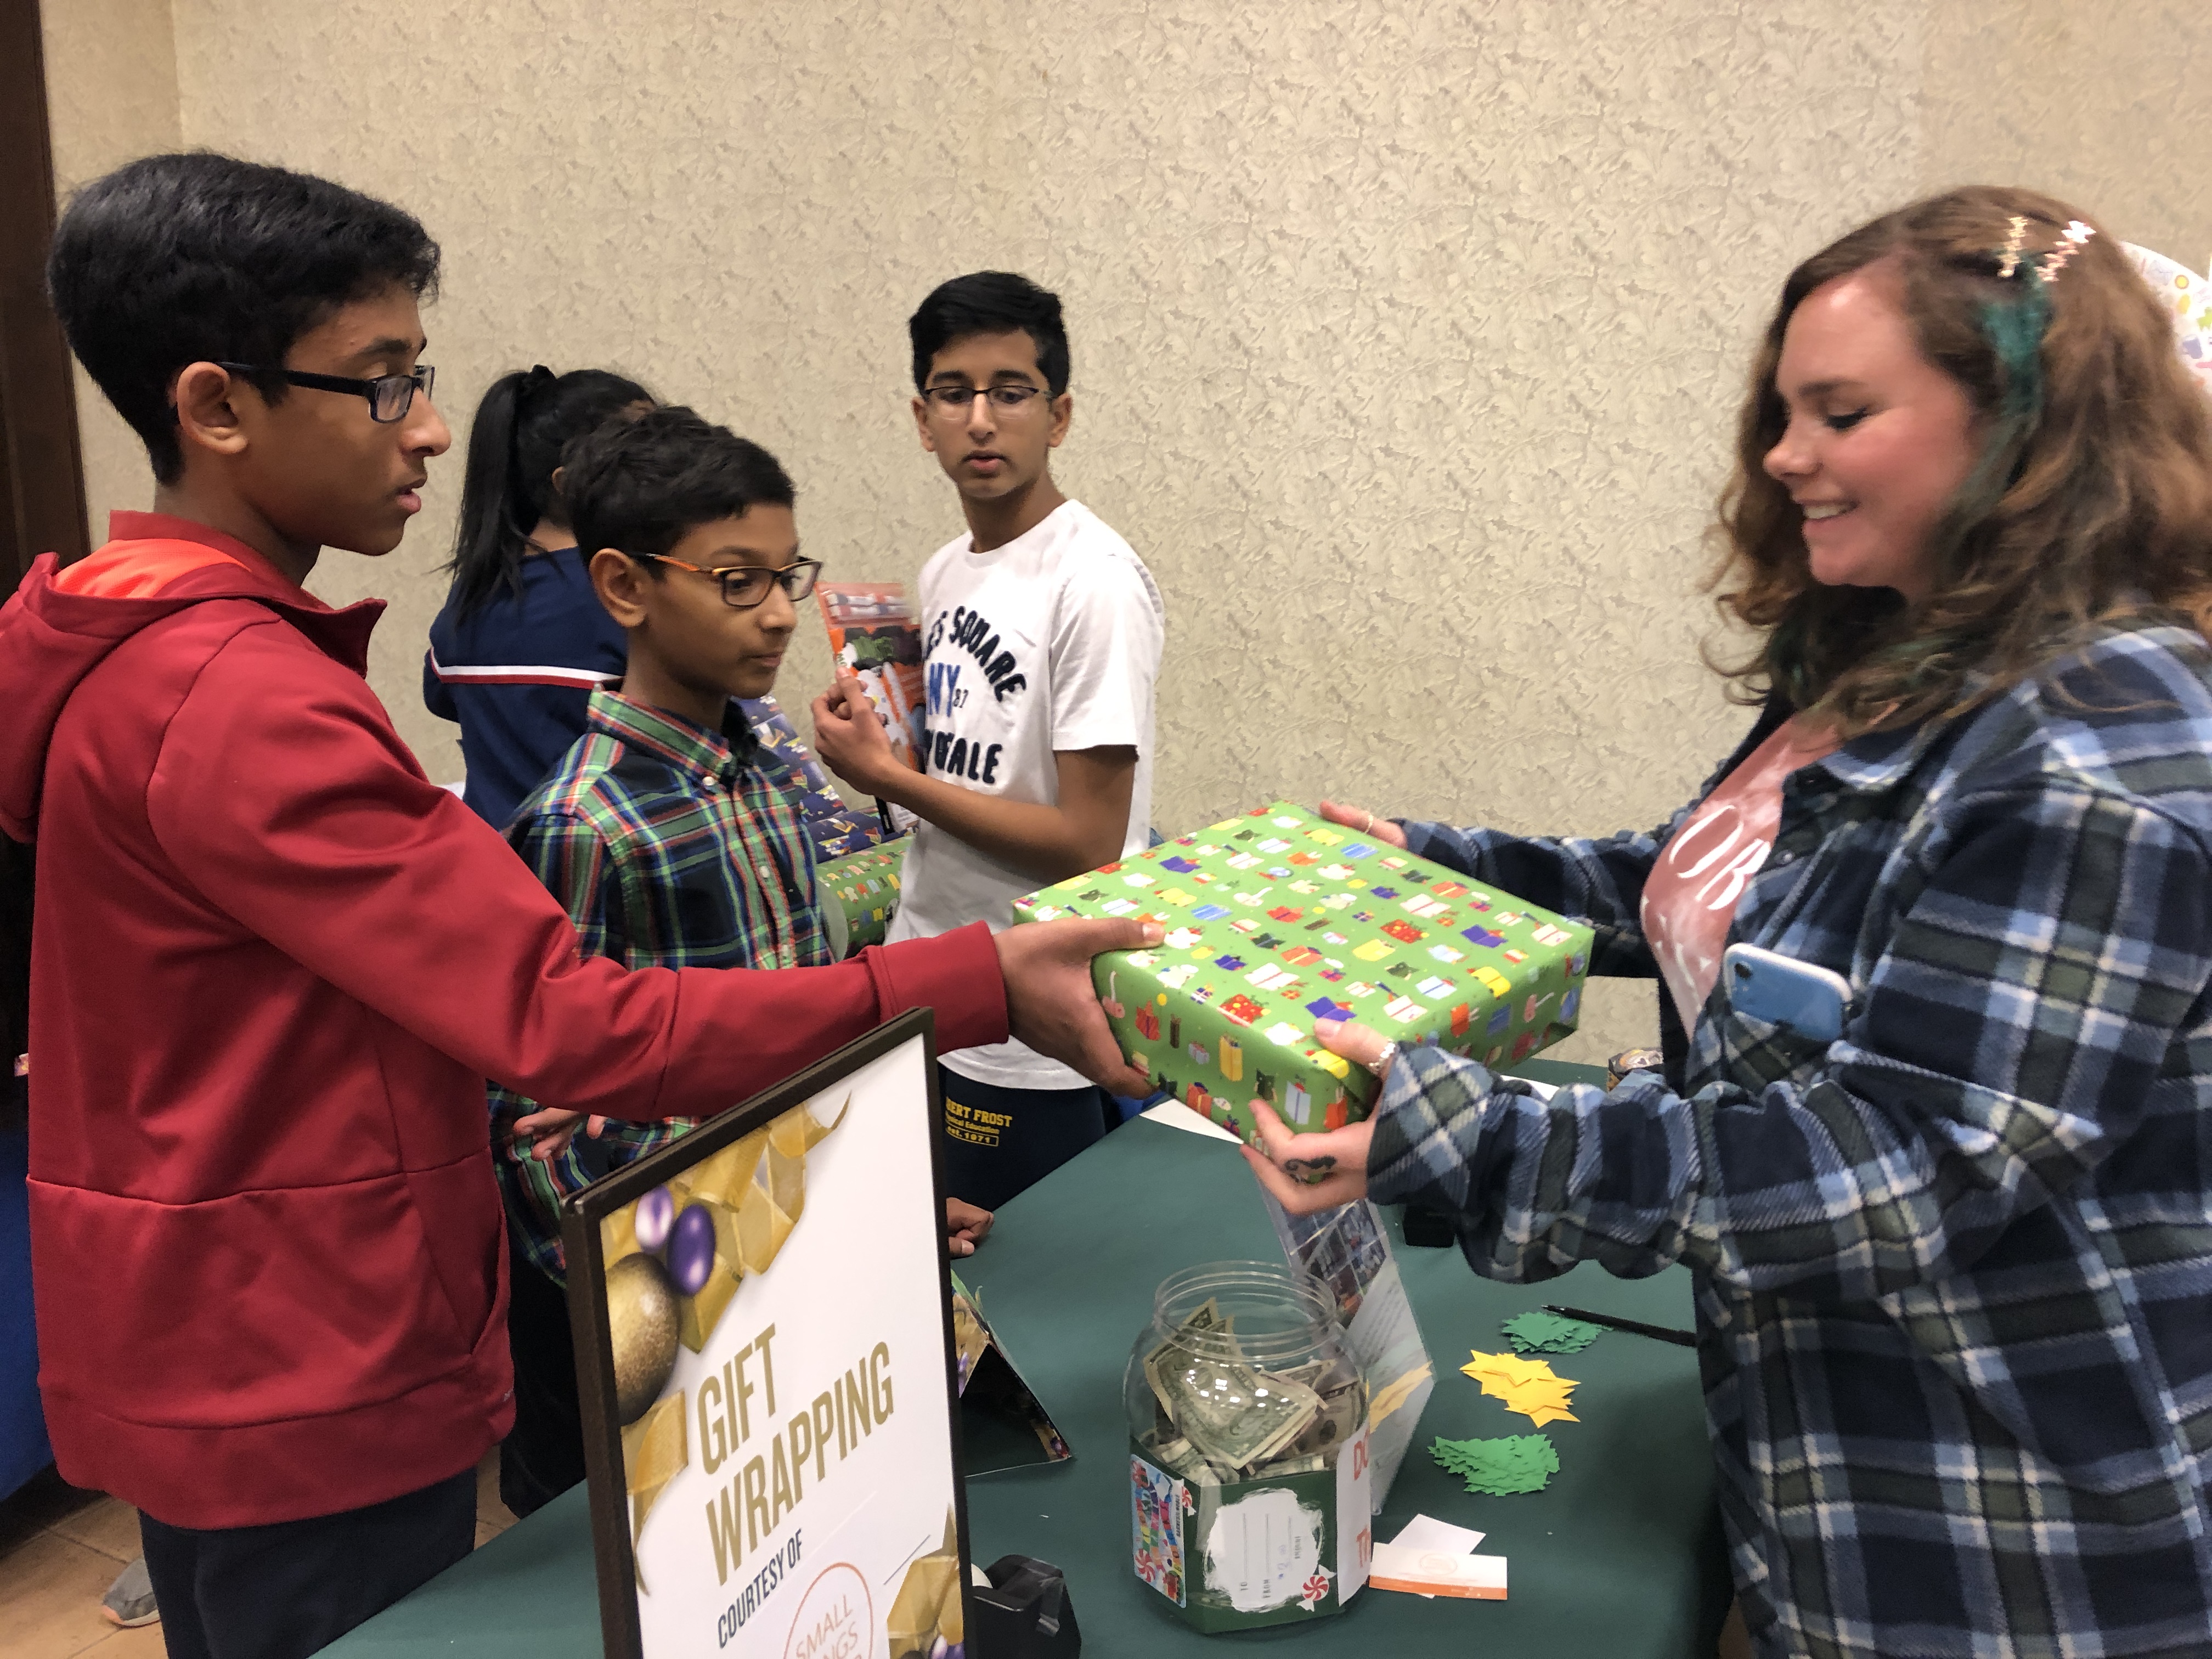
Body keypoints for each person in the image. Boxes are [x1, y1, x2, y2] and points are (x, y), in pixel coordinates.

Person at [0, 152, 1150, 1659]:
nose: (429, 428)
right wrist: (985, 974)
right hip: (306, 1359)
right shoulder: (245, 706)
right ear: (218, 408)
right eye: (382, 381)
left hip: (219, 1333)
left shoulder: (140, 652)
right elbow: (571, 1027)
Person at [1249, 187, 2212, 1657]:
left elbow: (1887, 1173)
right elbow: (1716, 894)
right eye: (1782, 412)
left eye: (1838, 412)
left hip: (2007, 1549)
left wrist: (1467, 1131)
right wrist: (1434, 871)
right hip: (1816, 1473)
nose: (1783, 457)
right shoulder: (1901, 654)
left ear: (2024, 425)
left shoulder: (2097, 760)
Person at [488, 405, 994, 1515]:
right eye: (735, 582)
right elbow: (544, 1147)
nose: (777, 615)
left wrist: (876, 1188)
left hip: (807, 1273)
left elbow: (808, 1026)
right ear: (624, 587)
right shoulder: (584, 826)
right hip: (695, 1325)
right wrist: (709, 1283)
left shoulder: (769, 764)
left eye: (786, 576)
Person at [812, 272, 1166, 1208]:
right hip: (930, 969)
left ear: (1058, 416)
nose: (980, 419)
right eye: (953, 391)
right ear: (921, 417)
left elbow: (1089, 842)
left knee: (1018, 1300)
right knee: (932, 1280)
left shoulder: (1092, 581)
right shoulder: (945, 568)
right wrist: (882, 739)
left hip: (1033, 1021)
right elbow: (963, 776)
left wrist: (888, 777)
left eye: (1009, 392)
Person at [424, 364, 653, 828]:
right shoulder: (626, 597)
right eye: (647, 458)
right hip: (605, 872)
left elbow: (442, 699)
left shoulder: (469, 601)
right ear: (569, 485)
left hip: (499, 868)